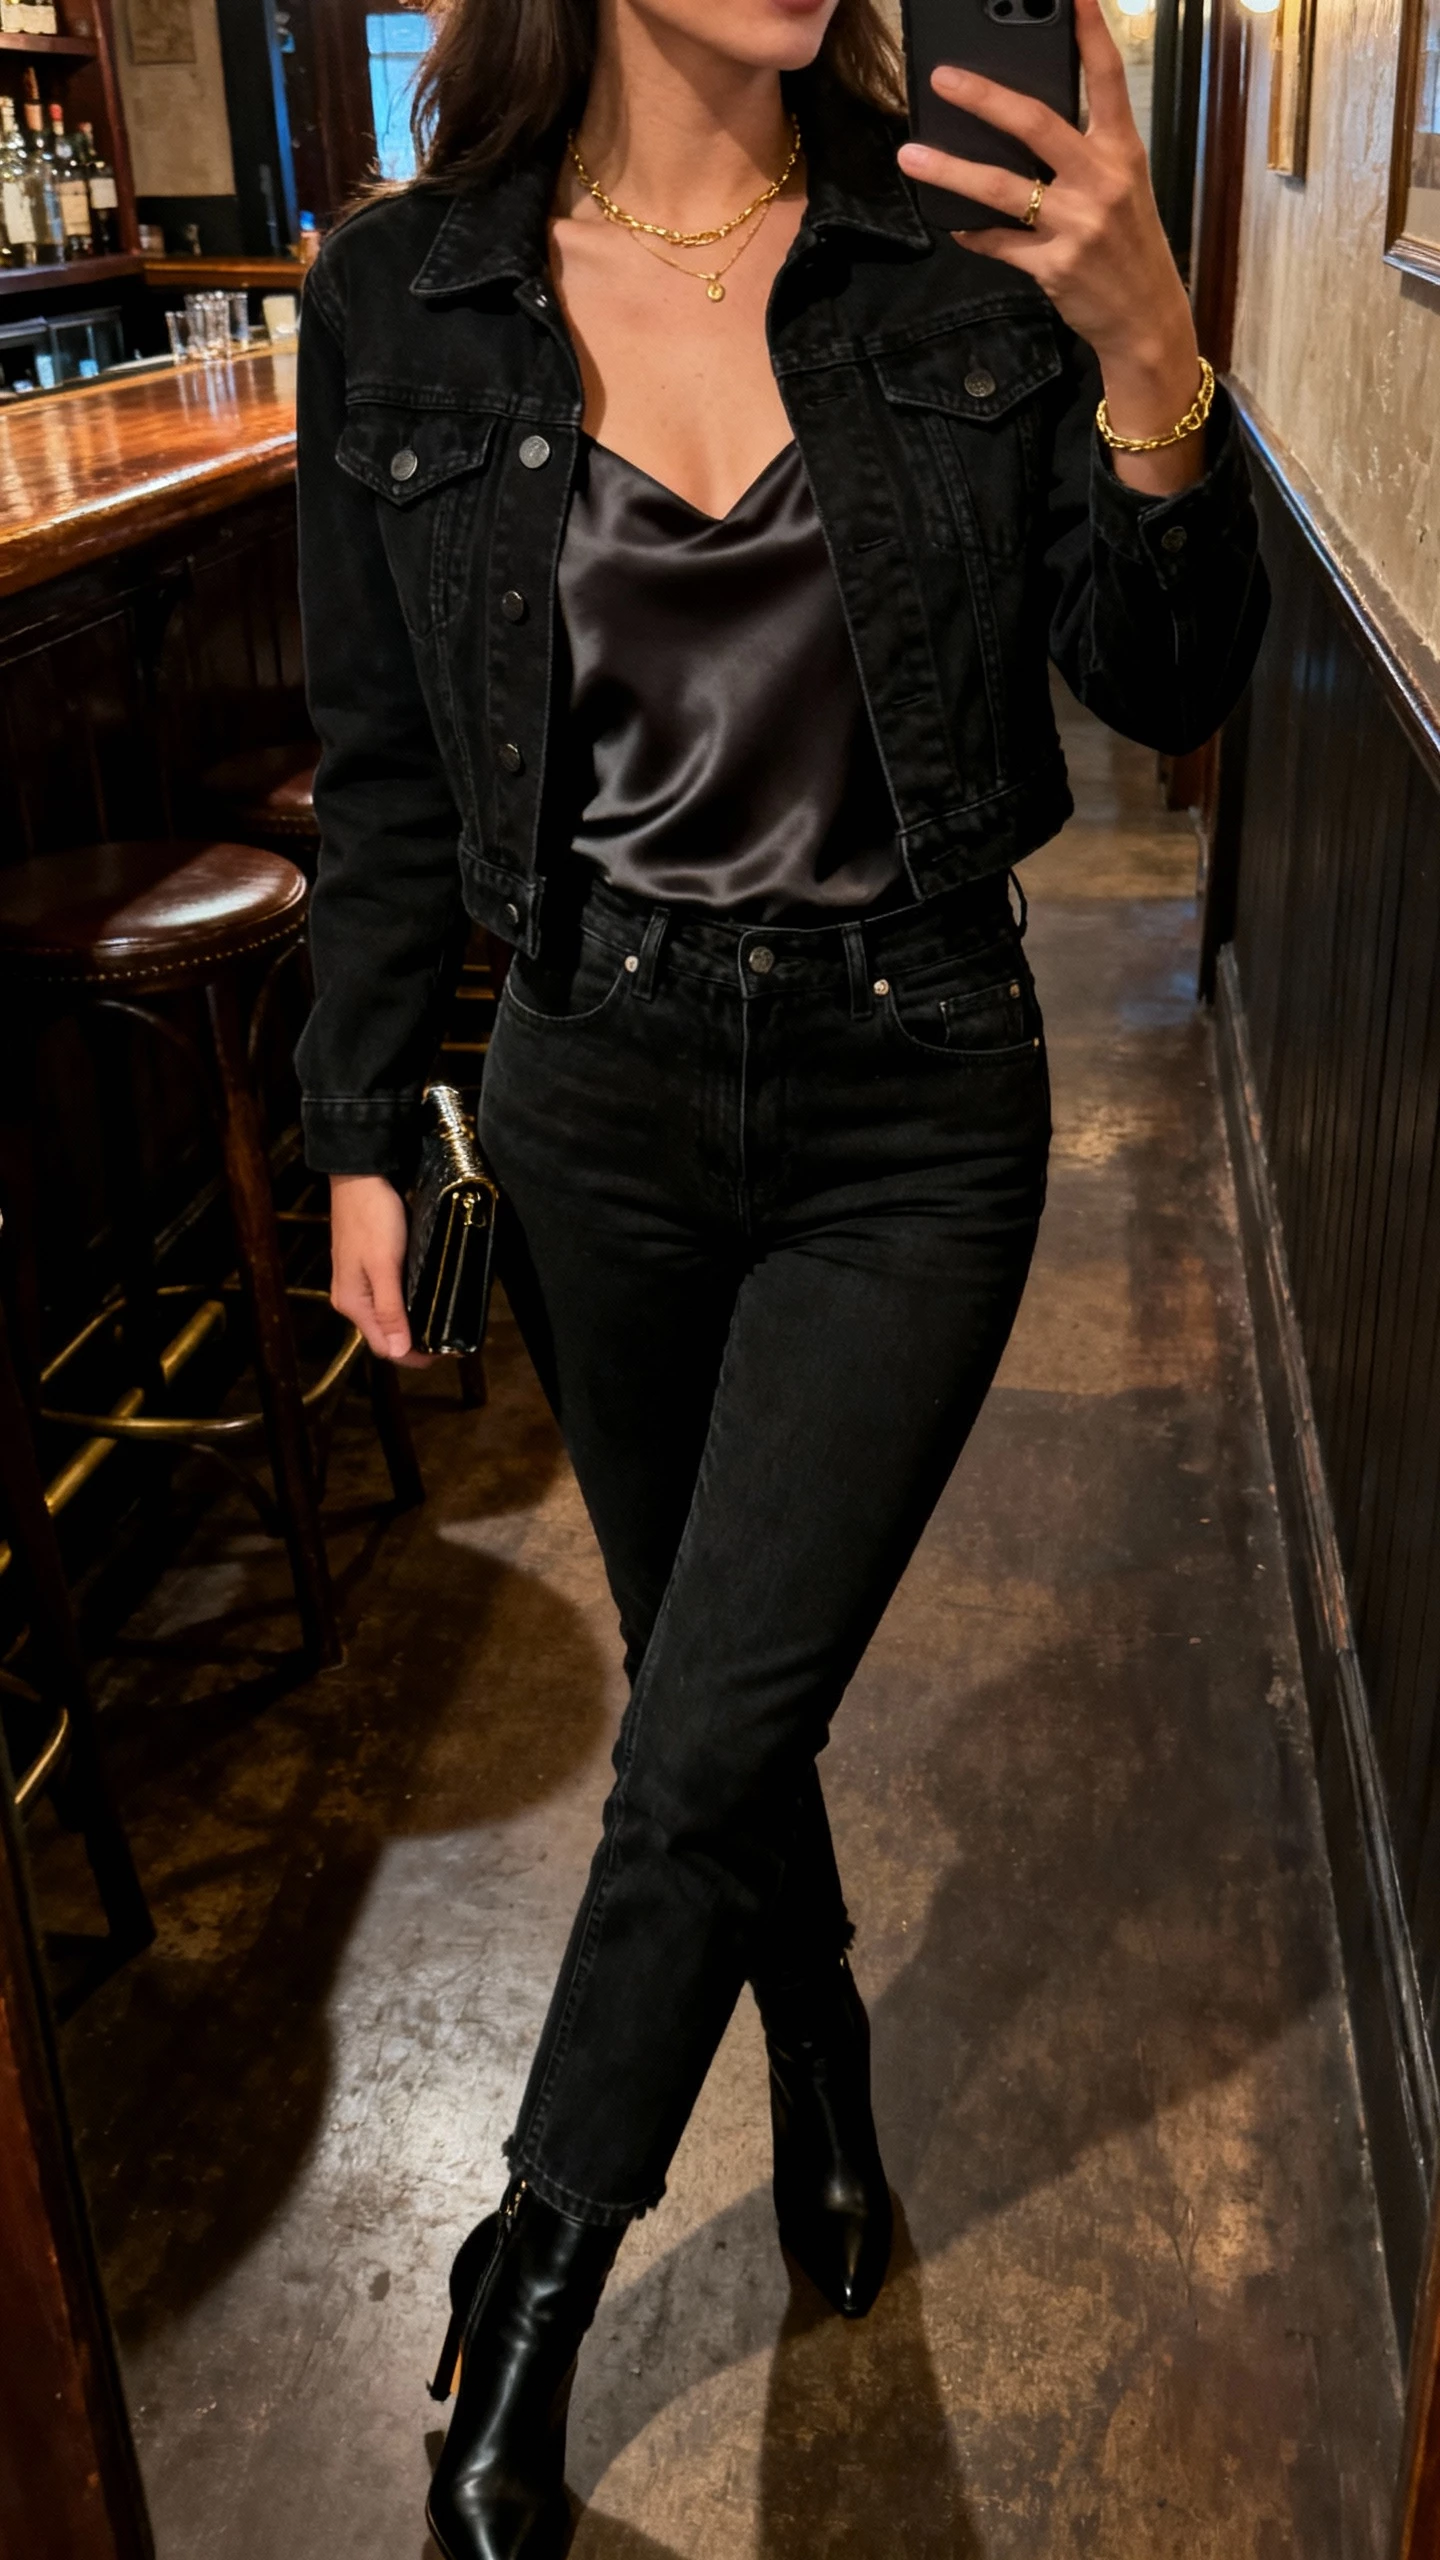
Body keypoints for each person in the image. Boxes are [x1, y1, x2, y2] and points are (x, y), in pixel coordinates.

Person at [295, 0, 1266, 2548]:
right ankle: (822, 2070)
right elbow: (385, 763)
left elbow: (1168, 683)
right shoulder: (405, 298)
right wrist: (362, 1123)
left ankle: (536, 2281)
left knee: (713, 1701)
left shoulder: (965, 260)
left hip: (907, 1098)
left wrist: (1151, 352)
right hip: (588, 1090)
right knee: (724, 1686)